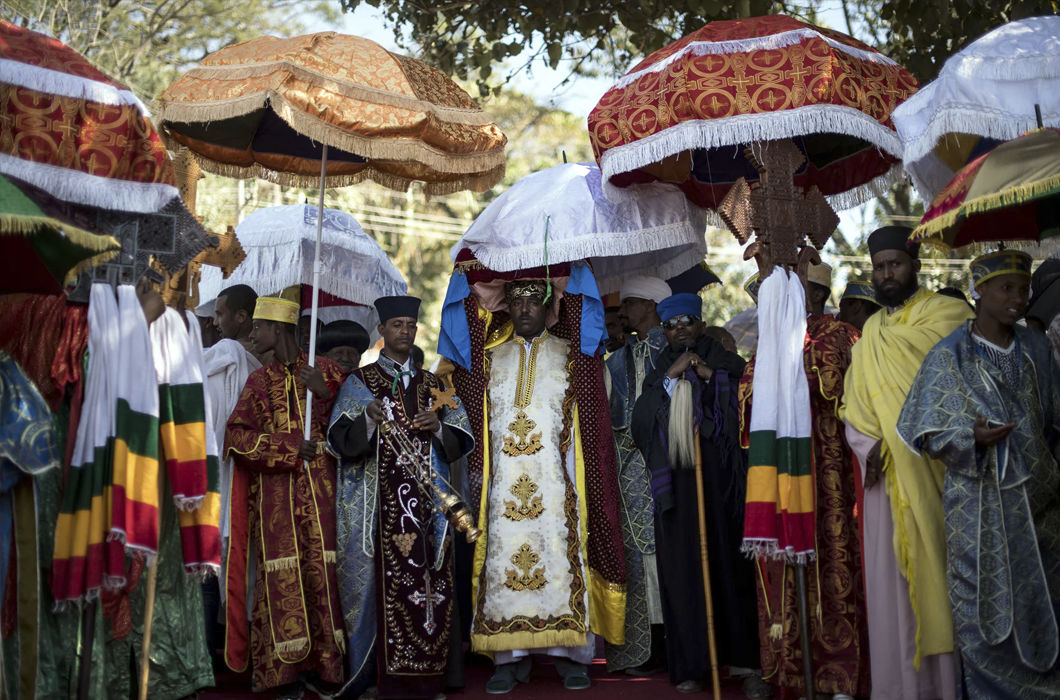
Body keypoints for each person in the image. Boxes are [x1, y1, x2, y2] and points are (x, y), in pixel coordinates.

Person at [897, 250, 1060, 697]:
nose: (1018, 298)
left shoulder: (1038, 347)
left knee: (1045, 598)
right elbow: (924, 432)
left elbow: (1054, 419)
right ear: (980, 290)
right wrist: (971, 436)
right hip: (979, 510)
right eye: (1007, 288)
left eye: (1023, 289)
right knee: (983, 608)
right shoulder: (949, 356)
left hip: (1043, 505)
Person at [471, 279, 625, 694]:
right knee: (505, 562)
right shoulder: (489, 358)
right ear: (507, 306)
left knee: (561, 556)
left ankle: (571, 657)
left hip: (557, 482)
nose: (524, 309)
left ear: (546, 308)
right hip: (504, 485)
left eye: (532, 302)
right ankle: (508, 657)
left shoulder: (569, 356)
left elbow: (585, 424)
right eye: (516, 301)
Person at [839, 226, 974, 700]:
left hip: (939, 473)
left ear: (915, 264)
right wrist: (867, 446)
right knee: (888, 584)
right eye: (879, 267)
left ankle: (947, 689)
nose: (887, 273)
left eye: (895, 264)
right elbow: (852, 404)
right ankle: (898, 689)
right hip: (884, 476)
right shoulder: (871, 332)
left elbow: (962, 389)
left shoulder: (950, 315)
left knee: (942, 574)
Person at [326, 295, 474, 699]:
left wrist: (438, 428)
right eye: (397, 325)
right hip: (378, 509)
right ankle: (376, 679)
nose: (405, 331)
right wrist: (368, 420)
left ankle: (432, 678)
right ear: (382, 332)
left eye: (410, 325)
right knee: (378, 589)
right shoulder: (360, 383)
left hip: (431, 511)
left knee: (432, 587)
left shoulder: (435, 384)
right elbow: (338, 440)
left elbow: (462, 436)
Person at [740, 263, 869, 700]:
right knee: (780, 569)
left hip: (831, 478)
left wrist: (795, 374)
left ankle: (842, 676)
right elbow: (747, 395)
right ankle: (786, 668)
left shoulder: (842, 335)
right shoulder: (770, 342)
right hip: (778, 478)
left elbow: (841, 388)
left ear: (811, 294)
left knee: (835, 566)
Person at [632, 292, 768, 698]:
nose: (679, 331)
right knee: (682, 573)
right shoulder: (660, 367)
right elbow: (642, 420)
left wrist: (711, 377)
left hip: (722, 487)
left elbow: (747, 401)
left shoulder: (725, 360)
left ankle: (746, 664)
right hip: (678, 490)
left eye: (686, 323)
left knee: (731, 570)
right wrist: (674, 378)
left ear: (701, 325)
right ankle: (691, 664)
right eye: (671, 326)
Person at [224, 297, 346, 698]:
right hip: (275, 500)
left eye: (258, 327)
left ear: (279, 329)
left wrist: (324, 393)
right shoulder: (260, 382)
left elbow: (355, 426)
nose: (253, 334)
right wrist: (290, 447)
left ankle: (328, 669)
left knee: (324, 575)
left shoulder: (327, 372)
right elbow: (237, 438)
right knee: (281, 581)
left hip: (325, 495)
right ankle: (283, 675)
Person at [604, 276, 672, 675]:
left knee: (673, 550)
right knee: (635, 555)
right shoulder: (615, 360)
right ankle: (640, 649)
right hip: (629, 469)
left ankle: (678, 644)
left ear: (650, 305)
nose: (623, 311)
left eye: (629, 304)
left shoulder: (677, 349)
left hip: (671, 466)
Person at [202, 284, 263, 667]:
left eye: (221, 312)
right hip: (241, 469)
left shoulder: (225, 354)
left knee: (212, 560)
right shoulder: (255, 364)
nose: (214, 319)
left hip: (220, 464)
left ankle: (210, 650)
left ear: (242, 317)